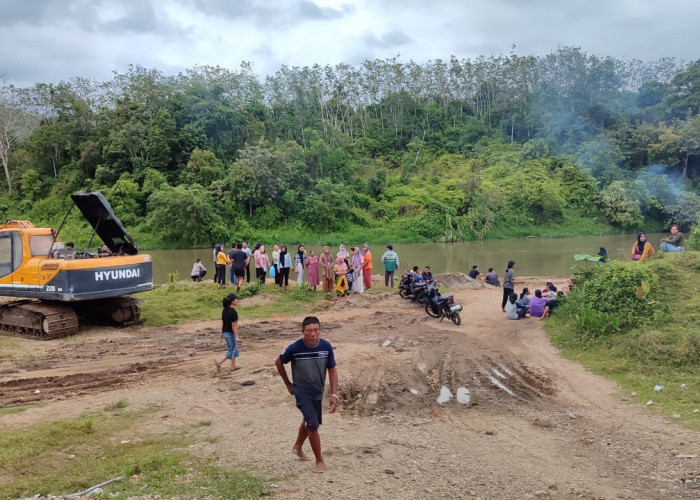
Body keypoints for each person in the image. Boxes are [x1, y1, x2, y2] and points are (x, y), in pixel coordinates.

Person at [275, 316, 338, 473]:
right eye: (309, 331)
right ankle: (319, 461)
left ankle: (297, 447)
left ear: (320, 329)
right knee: (312, 424)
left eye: (316, 330)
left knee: (309, 420)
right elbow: (278, 361)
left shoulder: (325, 346)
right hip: (302, 392)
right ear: (302, 331)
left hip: (318, 391)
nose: (313, 334)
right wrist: (288, 384)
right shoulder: (295, 348)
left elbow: (332, 369)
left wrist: (334, 394)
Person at [215, 293, 241, 372]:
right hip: (230, 333)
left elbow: (223, 322)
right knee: (232, 350)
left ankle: (233, 366)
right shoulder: (233, 312)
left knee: (232, 349)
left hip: (225, 332)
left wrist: (222, 331)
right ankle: (219, 363)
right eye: (236, 299)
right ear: (232, 301)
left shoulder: (225, 310)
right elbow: (233, 325)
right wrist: (236, 336)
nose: (237, 301)